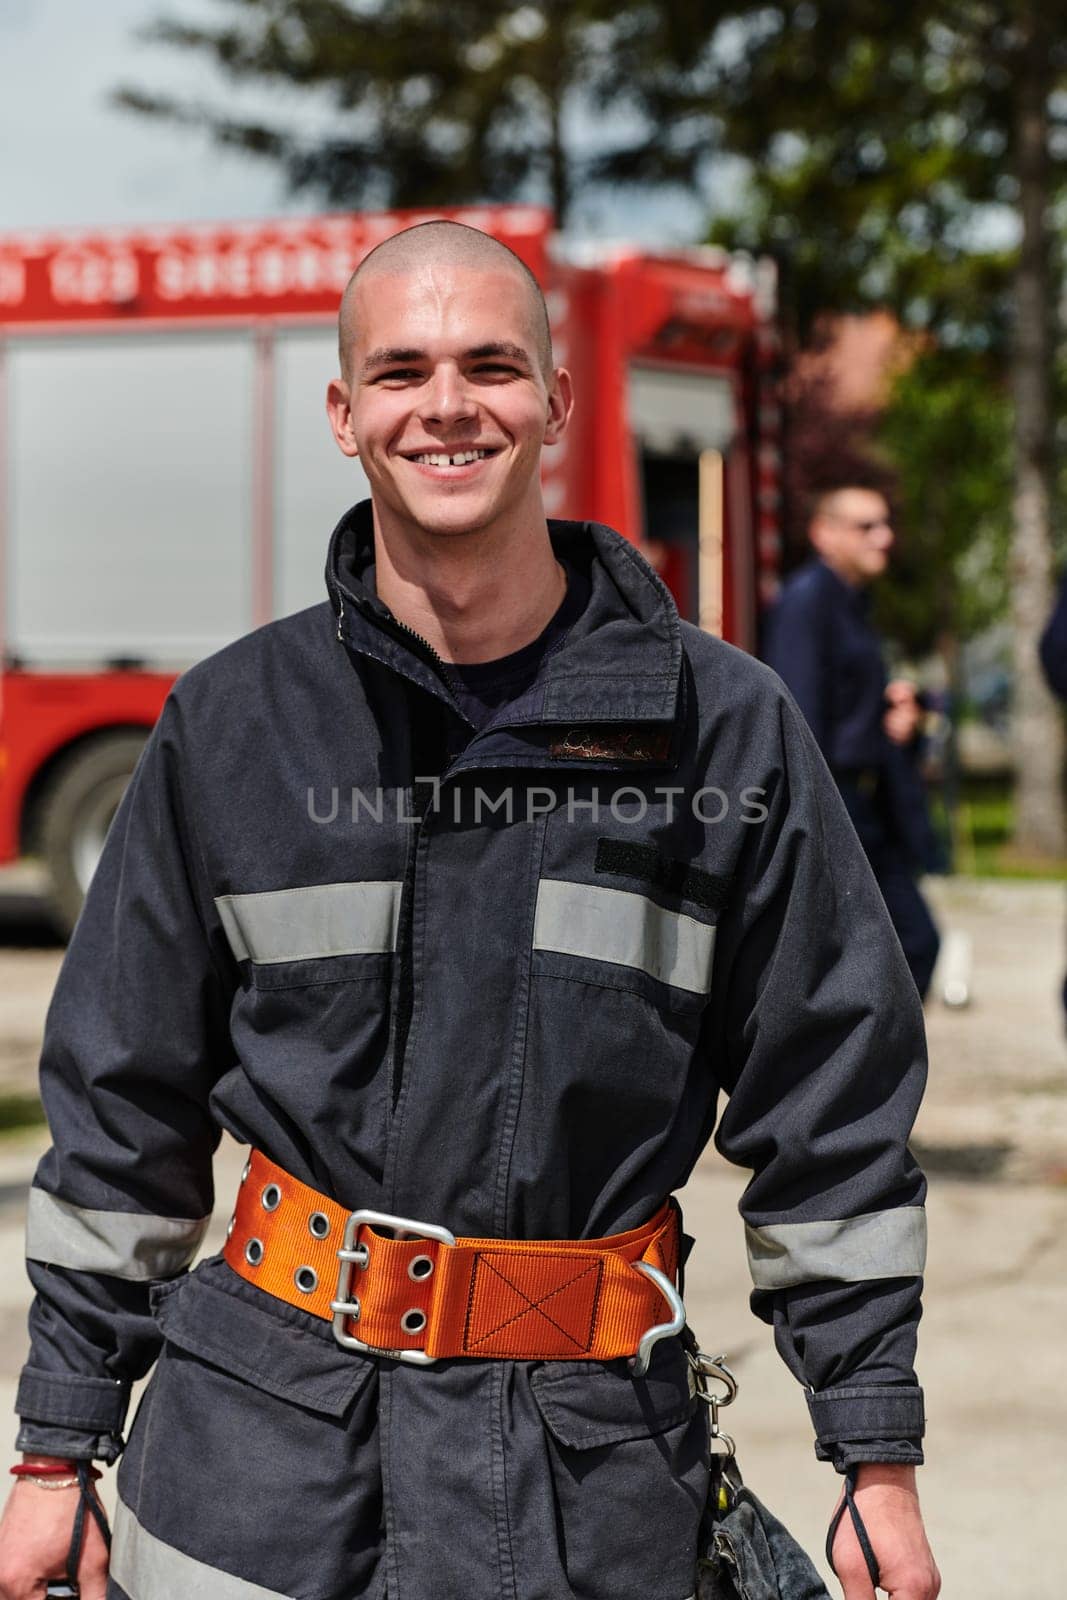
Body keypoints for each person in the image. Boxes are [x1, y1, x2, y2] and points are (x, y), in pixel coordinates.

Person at [0, 223, 939, 1600]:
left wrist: (873, 1462)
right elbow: (120, 1105)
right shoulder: (235, 727)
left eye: (492, 366)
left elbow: (834, 1110)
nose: (445, 405)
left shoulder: (722, 732)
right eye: (400, 370)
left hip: (591, 1494)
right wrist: (51, 1454)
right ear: (343, 413)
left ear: (555, 401)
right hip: (252, 1486)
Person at [763, 483, 942, 999]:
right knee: (909, 944)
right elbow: (798, 715)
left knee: (905, 949)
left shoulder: (852, 602)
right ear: (825, 534)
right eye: (867, 527)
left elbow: (847, 700)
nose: (884, 538)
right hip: (834, 805)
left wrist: (899, 708)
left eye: (885, 525)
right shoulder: (807, 602)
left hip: (865, 803)